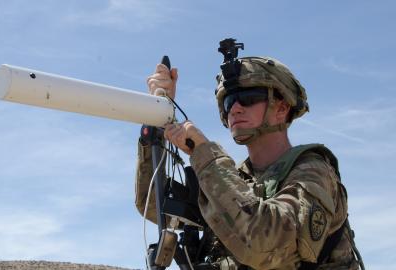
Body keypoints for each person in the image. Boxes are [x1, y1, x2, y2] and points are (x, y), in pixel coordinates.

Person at [135, 50, 364, 269]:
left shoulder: (313, 170)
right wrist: (158, 116)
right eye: (229, 101)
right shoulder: (236, 180)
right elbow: (154, 205)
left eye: (247, 98)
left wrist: (205, 154)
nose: (235, 109)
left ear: (282, 108)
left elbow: (262, 245)